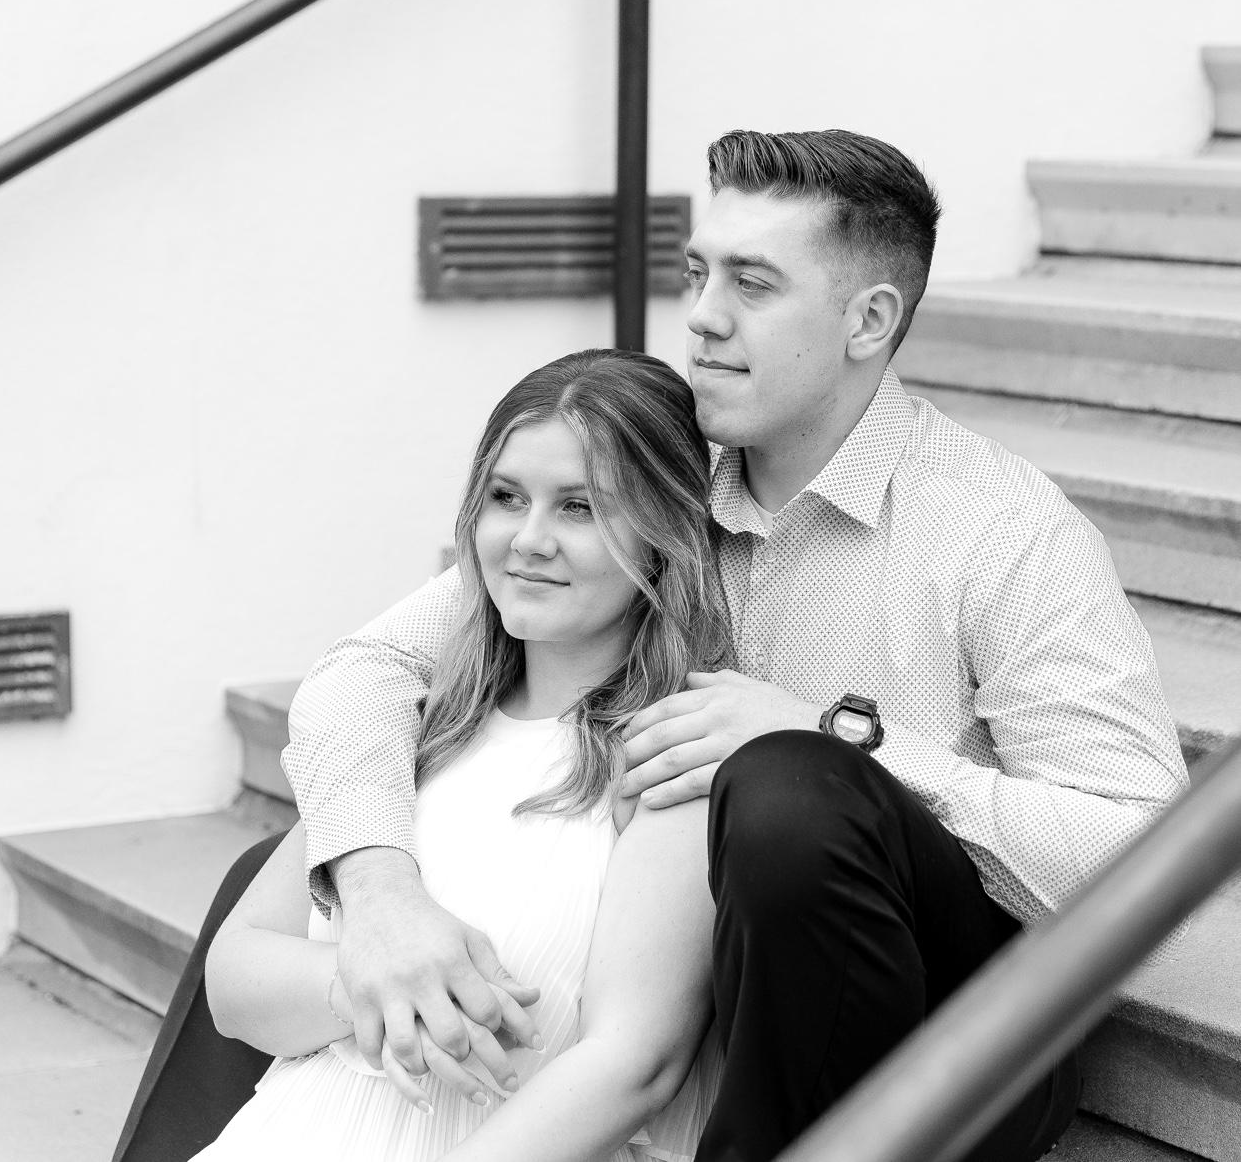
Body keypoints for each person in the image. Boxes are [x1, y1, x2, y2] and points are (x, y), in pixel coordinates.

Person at [277, 129, 1190, 1162]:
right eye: (696, 272)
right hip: (698, 980)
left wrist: (844, 740)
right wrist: (379, 893)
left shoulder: (1001, 530)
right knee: (325, 857)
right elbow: (367, 671)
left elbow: (1147, 861)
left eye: (752, 284)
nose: (703, 315)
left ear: (868, 321)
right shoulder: (657, 482)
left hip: (953, 1037)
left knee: (788, 787)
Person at [192, 348, 731, 1160]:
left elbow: (636, 1065)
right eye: (506, 498)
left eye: (580, 508)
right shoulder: (417, 725)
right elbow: (233, 982)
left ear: (664, 535)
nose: (529, 540)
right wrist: (376, 978)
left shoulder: (669, 756)